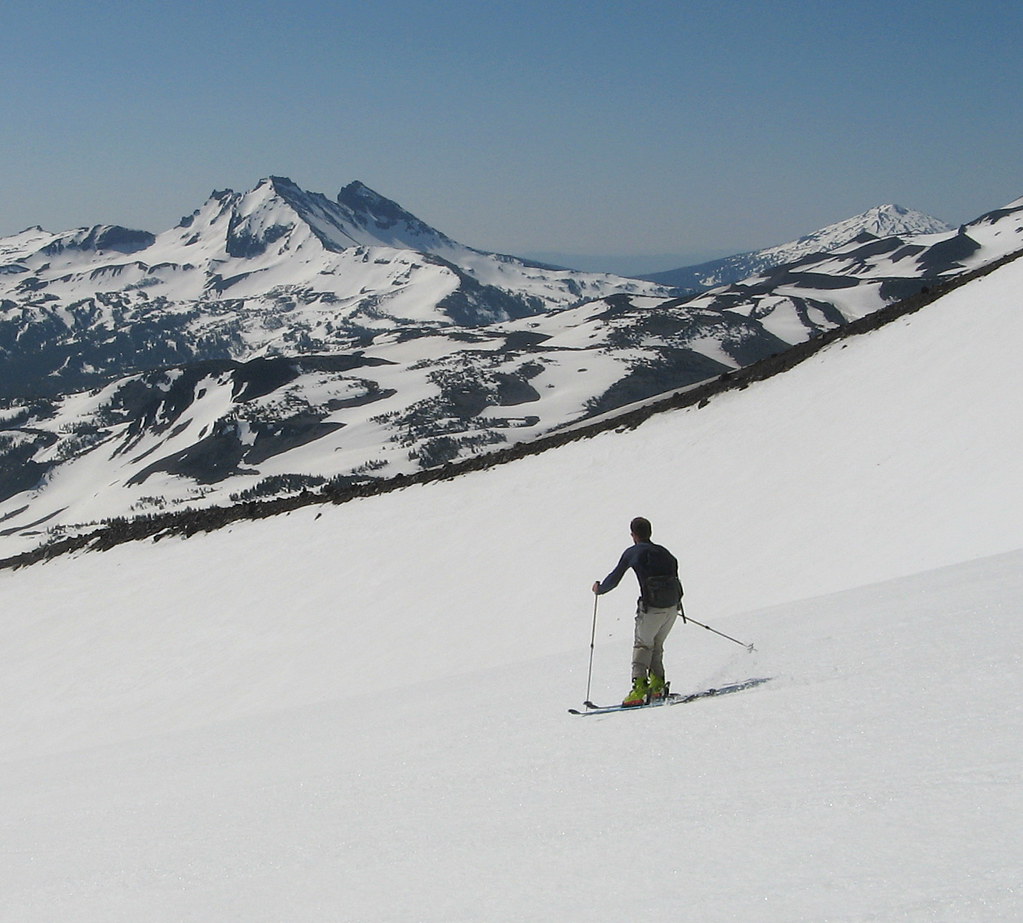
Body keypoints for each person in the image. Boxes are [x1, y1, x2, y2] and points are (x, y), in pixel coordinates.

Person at [592, 516, 684, 706]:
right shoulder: (665, 553)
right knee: (656, 645)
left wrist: (599, 589)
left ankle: (639, 689)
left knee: (643, 646)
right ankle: (658, 686)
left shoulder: (633, 552)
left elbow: (614, 579)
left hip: (651, 609)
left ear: (633, 535)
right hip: (672, 608)